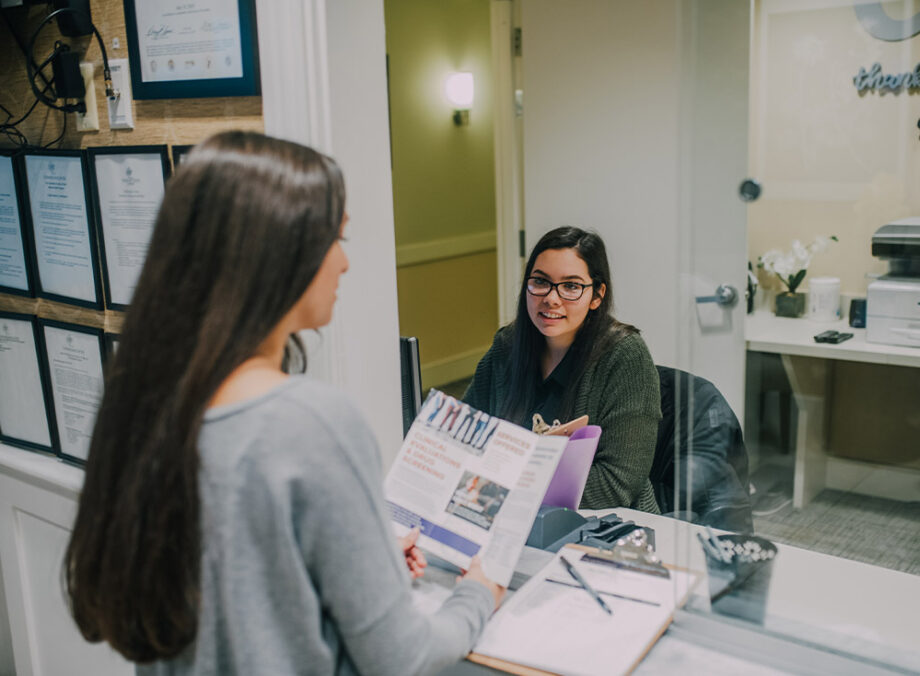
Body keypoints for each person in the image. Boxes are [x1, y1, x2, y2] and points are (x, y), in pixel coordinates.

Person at [63, 131, 503, 675]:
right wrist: (477, 596)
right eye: (335, 240)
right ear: (279, 252)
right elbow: (403, 658)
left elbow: (243, 590)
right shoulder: (312, 423)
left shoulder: (147, 404)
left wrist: (366, 563)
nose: (343, 263)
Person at [463, 226, 661, 513]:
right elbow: (468, 437)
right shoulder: (508, 345)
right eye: (540, 282)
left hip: (607, 529)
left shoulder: (625, 355)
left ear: (597, 296)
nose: (551, 298)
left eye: (571, 286)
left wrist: (508, 489)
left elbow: (616, 484)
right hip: (511, 517)